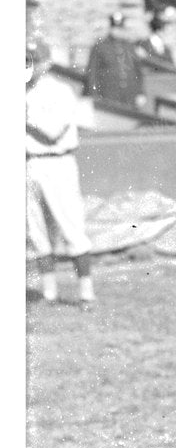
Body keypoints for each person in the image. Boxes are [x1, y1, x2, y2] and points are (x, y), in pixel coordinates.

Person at [26, 36, 95, 306]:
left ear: (46, 63)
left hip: (58, 162)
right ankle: (49, 293)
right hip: (30, 162)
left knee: (71, 226)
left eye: (33, 61)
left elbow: (53, 132)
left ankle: (86, 293)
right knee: (37, 230)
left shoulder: (60, 91)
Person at [83, 11, 146, 110]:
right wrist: (94, 96)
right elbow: (92, 74)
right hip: (107, 97)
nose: (117, 31)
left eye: (120, 28)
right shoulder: (99, 47)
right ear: (110, 28)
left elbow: (138, 73)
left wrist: (140, 93)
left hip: (129, 98)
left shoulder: (130, 47)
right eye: (115, 28)